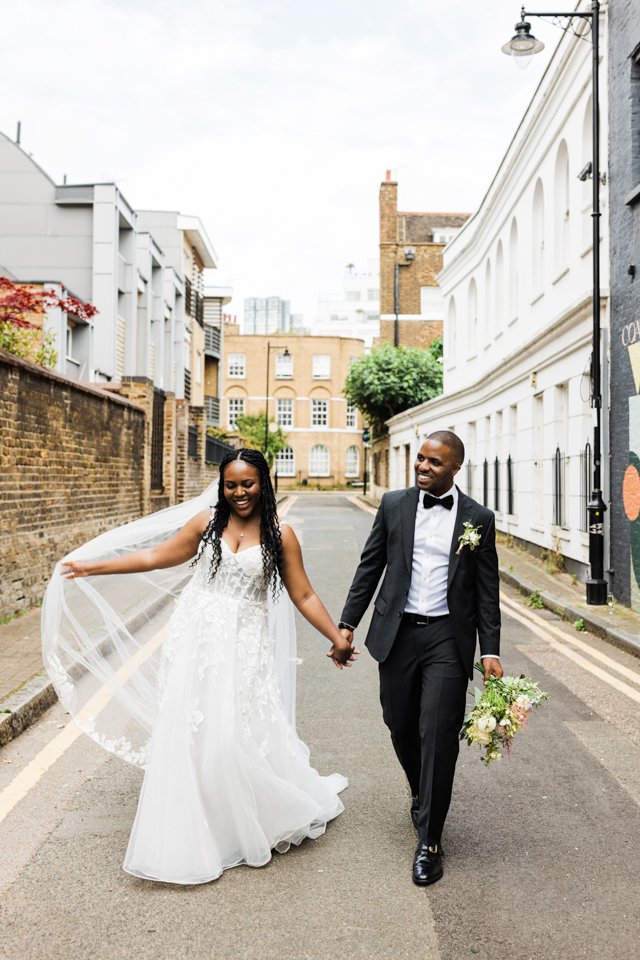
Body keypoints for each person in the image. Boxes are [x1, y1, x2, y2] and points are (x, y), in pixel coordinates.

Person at [59, 448, 357, 884]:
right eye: (231, 484)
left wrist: (337, 637)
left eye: (248, 484)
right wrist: (91, 567)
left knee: (236, 730)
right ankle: (198, 814)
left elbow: (304, 595)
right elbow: (153, 558)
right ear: (222, 485)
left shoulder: (281, 535)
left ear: (263, 484)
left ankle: (246, 811)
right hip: (197, 638)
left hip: (245, 644)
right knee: (195, 726)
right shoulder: (205, 525)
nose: (239, 493)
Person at [337, 430, 502, 886]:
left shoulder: (478, 519)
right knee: (400, 722)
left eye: (434, 462)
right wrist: (347, 625)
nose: (422, 467)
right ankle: (420, 787)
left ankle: (429, 839)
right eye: (420, 459)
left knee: (439, 733)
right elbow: (370, 567)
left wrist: (489, 651)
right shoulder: (394, 505)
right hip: (398, 633)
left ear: (455, 468)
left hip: (448, 641)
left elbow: (488, 592)